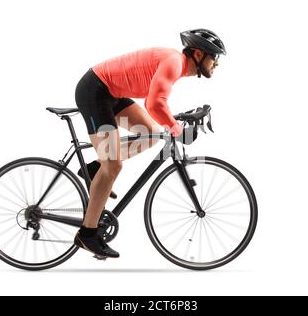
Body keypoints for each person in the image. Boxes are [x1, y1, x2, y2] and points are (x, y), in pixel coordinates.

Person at [73, 28, 226, 258]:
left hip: (111, 94)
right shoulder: (175, 62)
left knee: (151, 134)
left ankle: (95, 169)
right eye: (214, 57)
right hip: (95, 92)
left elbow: (157, 102)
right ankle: (88, 233)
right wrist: (175, 127)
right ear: (197, 54)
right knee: (113, 165)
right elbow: (154, 104)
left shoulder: (176, 64)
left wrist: (175, 121)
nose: (216, 64)